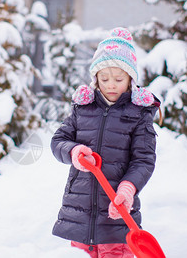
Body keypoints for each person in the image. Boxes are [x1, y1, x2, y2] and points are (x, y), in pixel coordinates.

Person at [50, 27, 160, 258]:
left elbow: (143, 160)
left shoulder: (139, 114)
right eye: (104, 78)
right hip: (82, 217)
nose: (111, 84)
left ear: (130, 78)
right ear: (95, 78)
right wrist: (73, 151)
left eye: (119, 78)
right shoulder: (83, 108)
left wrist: (128, 189)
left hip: (117, 216)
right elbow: (59, 140)